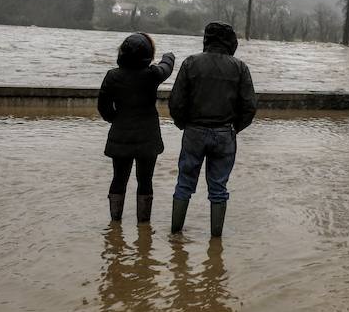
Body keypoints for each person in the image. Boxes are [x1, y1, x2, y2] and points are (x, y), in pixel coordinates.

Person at [168, 22, 257, 237]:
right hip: (225, 133)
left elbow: (176, 103)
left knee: (184, 184)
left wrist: (184, 125)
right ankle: (215, 241)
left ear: (207, 39)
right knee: (219, 189)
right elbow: (249, 106)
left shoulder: (191, 63)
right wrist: (234, 128)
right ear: (231, 42)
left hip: (194, 131)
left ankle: (175, 235)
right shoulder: (240, 67)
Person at [98, 33, 174, 223]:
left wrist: (115, 119)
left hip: (120, 136)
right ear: (148, 55)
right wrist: (169, 56)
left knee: (118, 179)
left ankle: (115, 222)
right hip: (148, 137)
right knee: (145, 180)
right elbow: (167, 68)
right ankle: (143, 223)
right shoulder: (152, 75)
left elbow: (103, 106)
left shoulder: (112, 76)